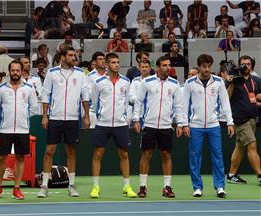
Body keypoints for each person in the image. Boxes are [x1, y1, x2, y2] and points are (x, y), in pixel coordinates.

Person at [37, 47, 90, 198]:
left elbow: (84, 94)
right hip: (55, 117)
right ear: (63, 57)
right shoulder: (52, 72)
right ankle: (45, 185)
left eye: (75, 55)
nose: (74, 57)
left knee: (71, 151)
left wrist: (86, 116)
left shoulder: (80, 73)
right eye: (71, 55)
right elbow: (46, 94)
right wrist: (45, 115)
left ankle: (71, 185)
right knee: (49, 151)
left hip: (73, 118)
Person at [182, 54, 234, 198]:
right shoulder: (190, 83)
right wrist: (184, 124)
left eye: (209, 66)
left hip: (214, 125)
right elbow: (184, 105)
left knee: (217, 156)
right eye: (204, 66)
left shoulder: (218, 82)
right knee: (195, 157)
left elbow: (225, 103)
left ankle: (220, 187)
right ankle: (197, 187)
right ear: (199, 66)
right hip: (195, 126)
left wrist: (230, 122)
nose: (206, 69)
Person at [133, 56, 184, 198]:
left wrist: (179, 123)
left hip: (166, 126)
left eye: (169, 65)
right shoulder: (146, 82)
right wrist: (136, 119)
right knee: (146, 155)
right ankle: (143, 187)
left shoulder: (174, 84)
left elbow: (178, 106)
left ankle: (167, 187)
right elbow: (138, 102)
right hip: (149, 125)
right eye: (164, 65)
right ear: (157, 68)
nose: (168, 67)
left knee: (166, 155)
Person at [89, 52, 137, 198]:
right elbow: (94, 103)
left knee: (124, 154)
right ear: (107, 65)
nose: (116, 65)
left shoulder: (126, 82)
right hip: (103, 123)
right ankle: (95, 187)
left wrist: (125, 118)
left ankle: (127, 186)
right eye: (113, 62)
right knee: (98, 154)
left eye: (118, 62)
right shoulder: (98, 82)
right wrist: (100, 116)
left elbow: (127, 101)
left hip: (120, 124)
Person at [0, 60, 38, 199]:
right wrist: (6, 118)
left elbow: (34, 108)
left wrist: (23, 118)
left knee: (20, 158)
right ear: (9, 71)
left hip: (22, 130)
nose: (15, 73)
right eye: (13, 70)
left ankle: (17, 188)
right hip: (5, 129)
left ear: (21, 71)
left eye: (18, 70)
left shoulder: (29, 88)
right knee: (1, 158)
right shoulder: (0, 88)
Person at [226, 55, 261, 185]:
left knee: (239, 147)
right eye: (243, 64)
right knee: (252, 145)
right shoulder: (234, 80)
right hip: (240, 119)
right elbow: (226, 98)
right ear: (239, 65)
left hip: (252, 118)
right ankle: (260, 175)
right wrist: (232, 83)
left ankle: (231, 175)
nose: (246, 66)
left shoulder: (257, 80)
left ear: (252, 66)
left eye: (248, 64)